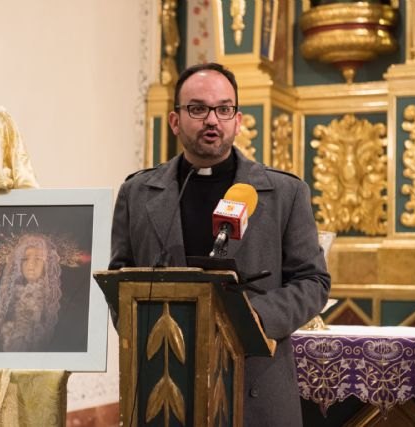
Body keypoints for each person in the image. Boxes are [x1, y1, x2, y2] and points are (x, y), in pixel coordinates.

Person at [109, 63, 331, 426]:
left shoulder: (285, 193)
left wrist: (254, 318)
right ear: (175, 121)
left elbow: (313, 282)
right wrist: (152, 337)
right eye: (197, 108)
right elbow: (119, 280)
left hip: (257, 386)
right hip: (164, 382)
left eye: (223, 109)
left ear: (238, 120)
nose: (212, 119)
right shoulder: (137, 193)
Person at [0, 234, 62, 352]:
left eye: (38, 258)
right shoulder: (6, 300)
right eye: (25, 259)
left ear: (47, 264)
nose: (31, 264)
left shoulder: (52, 304)